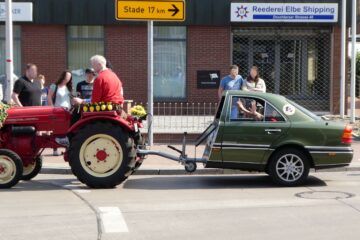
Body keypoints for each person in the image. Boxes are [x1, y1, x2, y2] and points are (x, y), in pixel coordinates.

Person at [48, 70, 73, 156]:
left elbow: (71, 99)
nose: (68, 78)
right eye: (67, 76)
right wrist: (52, 108)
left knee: (67, 131)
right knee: (57, 130)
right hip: (57, 111)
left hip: (67, 111)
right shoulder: (54, 86)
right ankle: (55, 149)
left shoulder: (68, 87)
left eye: (69, 77)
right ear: (63, 76)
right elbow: (49, 97)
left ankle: (67, 149)